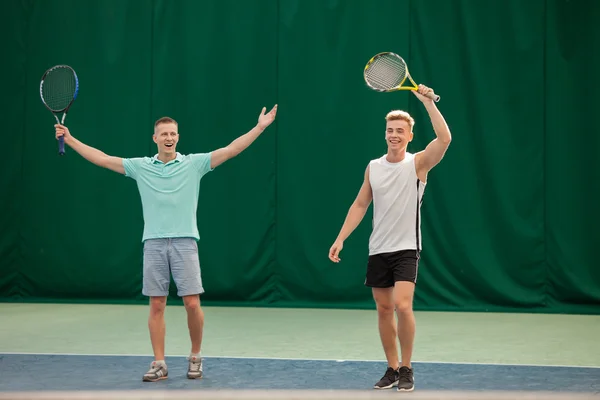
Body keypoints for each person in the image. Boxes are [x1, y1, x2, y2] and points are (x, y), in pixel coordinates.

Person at [54, 105, 278, 382]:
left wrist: (260, 127)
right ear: (155, 138)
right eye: (164, 134)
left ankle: (195, 356)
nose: (169, 137)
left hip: (185, 242)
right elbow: (102, 158)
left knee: (192, 304)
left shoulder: (194, 164)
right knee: (157, 305)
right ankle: (159, 363)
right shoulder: (140, 167)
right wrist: (71, 138)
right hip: (154, 245)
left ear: (178, 137)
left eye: (173, 133)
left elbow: (231, 149)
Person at [328, 84, 451, 392]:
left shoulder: (418, 163)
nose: (394, 134)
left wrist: (427, 103)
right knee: (384, 310)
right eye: (390, 129)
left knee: (403, 305)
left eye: (400, 130)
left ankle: (408, 367)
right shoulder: (374, 167)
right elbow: (360, 204)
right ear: (385, 133)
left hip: (407, 248)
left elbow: (445, 139)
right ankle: (392, 368)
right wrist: (341, 237)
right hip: (378, 249)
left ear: (409, 136)